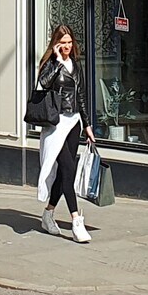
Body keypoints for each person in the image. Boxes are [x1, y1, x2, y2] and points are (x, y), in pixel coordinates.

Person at [33, 24, 94, 243]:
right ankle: (77, 221)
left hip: (74, 122)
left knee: (64, 174)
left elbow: (82, 98)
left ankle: (48, 214)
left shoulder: (77, 66)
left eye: (70, 42)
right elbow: (43, 83)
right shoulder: (51, 64)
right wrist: (57, 61)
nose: (67, 46)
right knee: (68, 169)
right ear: (56, 43)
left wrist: (87, 126)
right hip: (56, 125)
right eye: (63, 43)